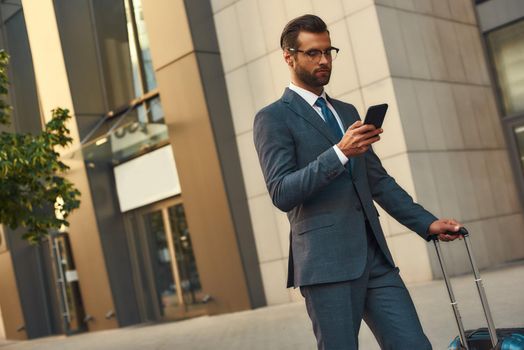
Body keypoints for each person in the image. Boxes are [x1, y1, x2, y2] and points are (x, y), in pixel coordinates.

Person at [253, 14, 462, 350]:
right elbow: (282, 192)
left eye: (328, 51)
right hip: (325, 266)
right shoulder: (273, 117)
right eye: (312, 53)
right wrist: (339, 152)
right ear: (289, 57)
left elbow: (378, 182)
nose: (323, 60)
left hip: (375, 259)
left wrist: (427, 222)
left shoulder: (347, 111)